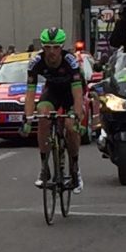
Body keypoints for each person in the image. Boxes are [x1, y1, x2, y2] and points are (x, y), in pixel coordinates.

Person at [21, 27, 84, 194]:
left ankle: (75, 168)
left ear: (62, 47)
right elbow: (30, 93)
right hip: (52, 92)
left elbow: (78, 94)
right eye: (47, 47)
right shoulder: (36, 62)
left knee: (70, 126)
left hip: (71, 92)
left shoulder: (70, 61)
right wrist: (27, 119)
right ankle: (44, 167)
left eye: (56, 47)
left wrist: (77, 117)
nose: (51, 51)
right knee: (42, 115)